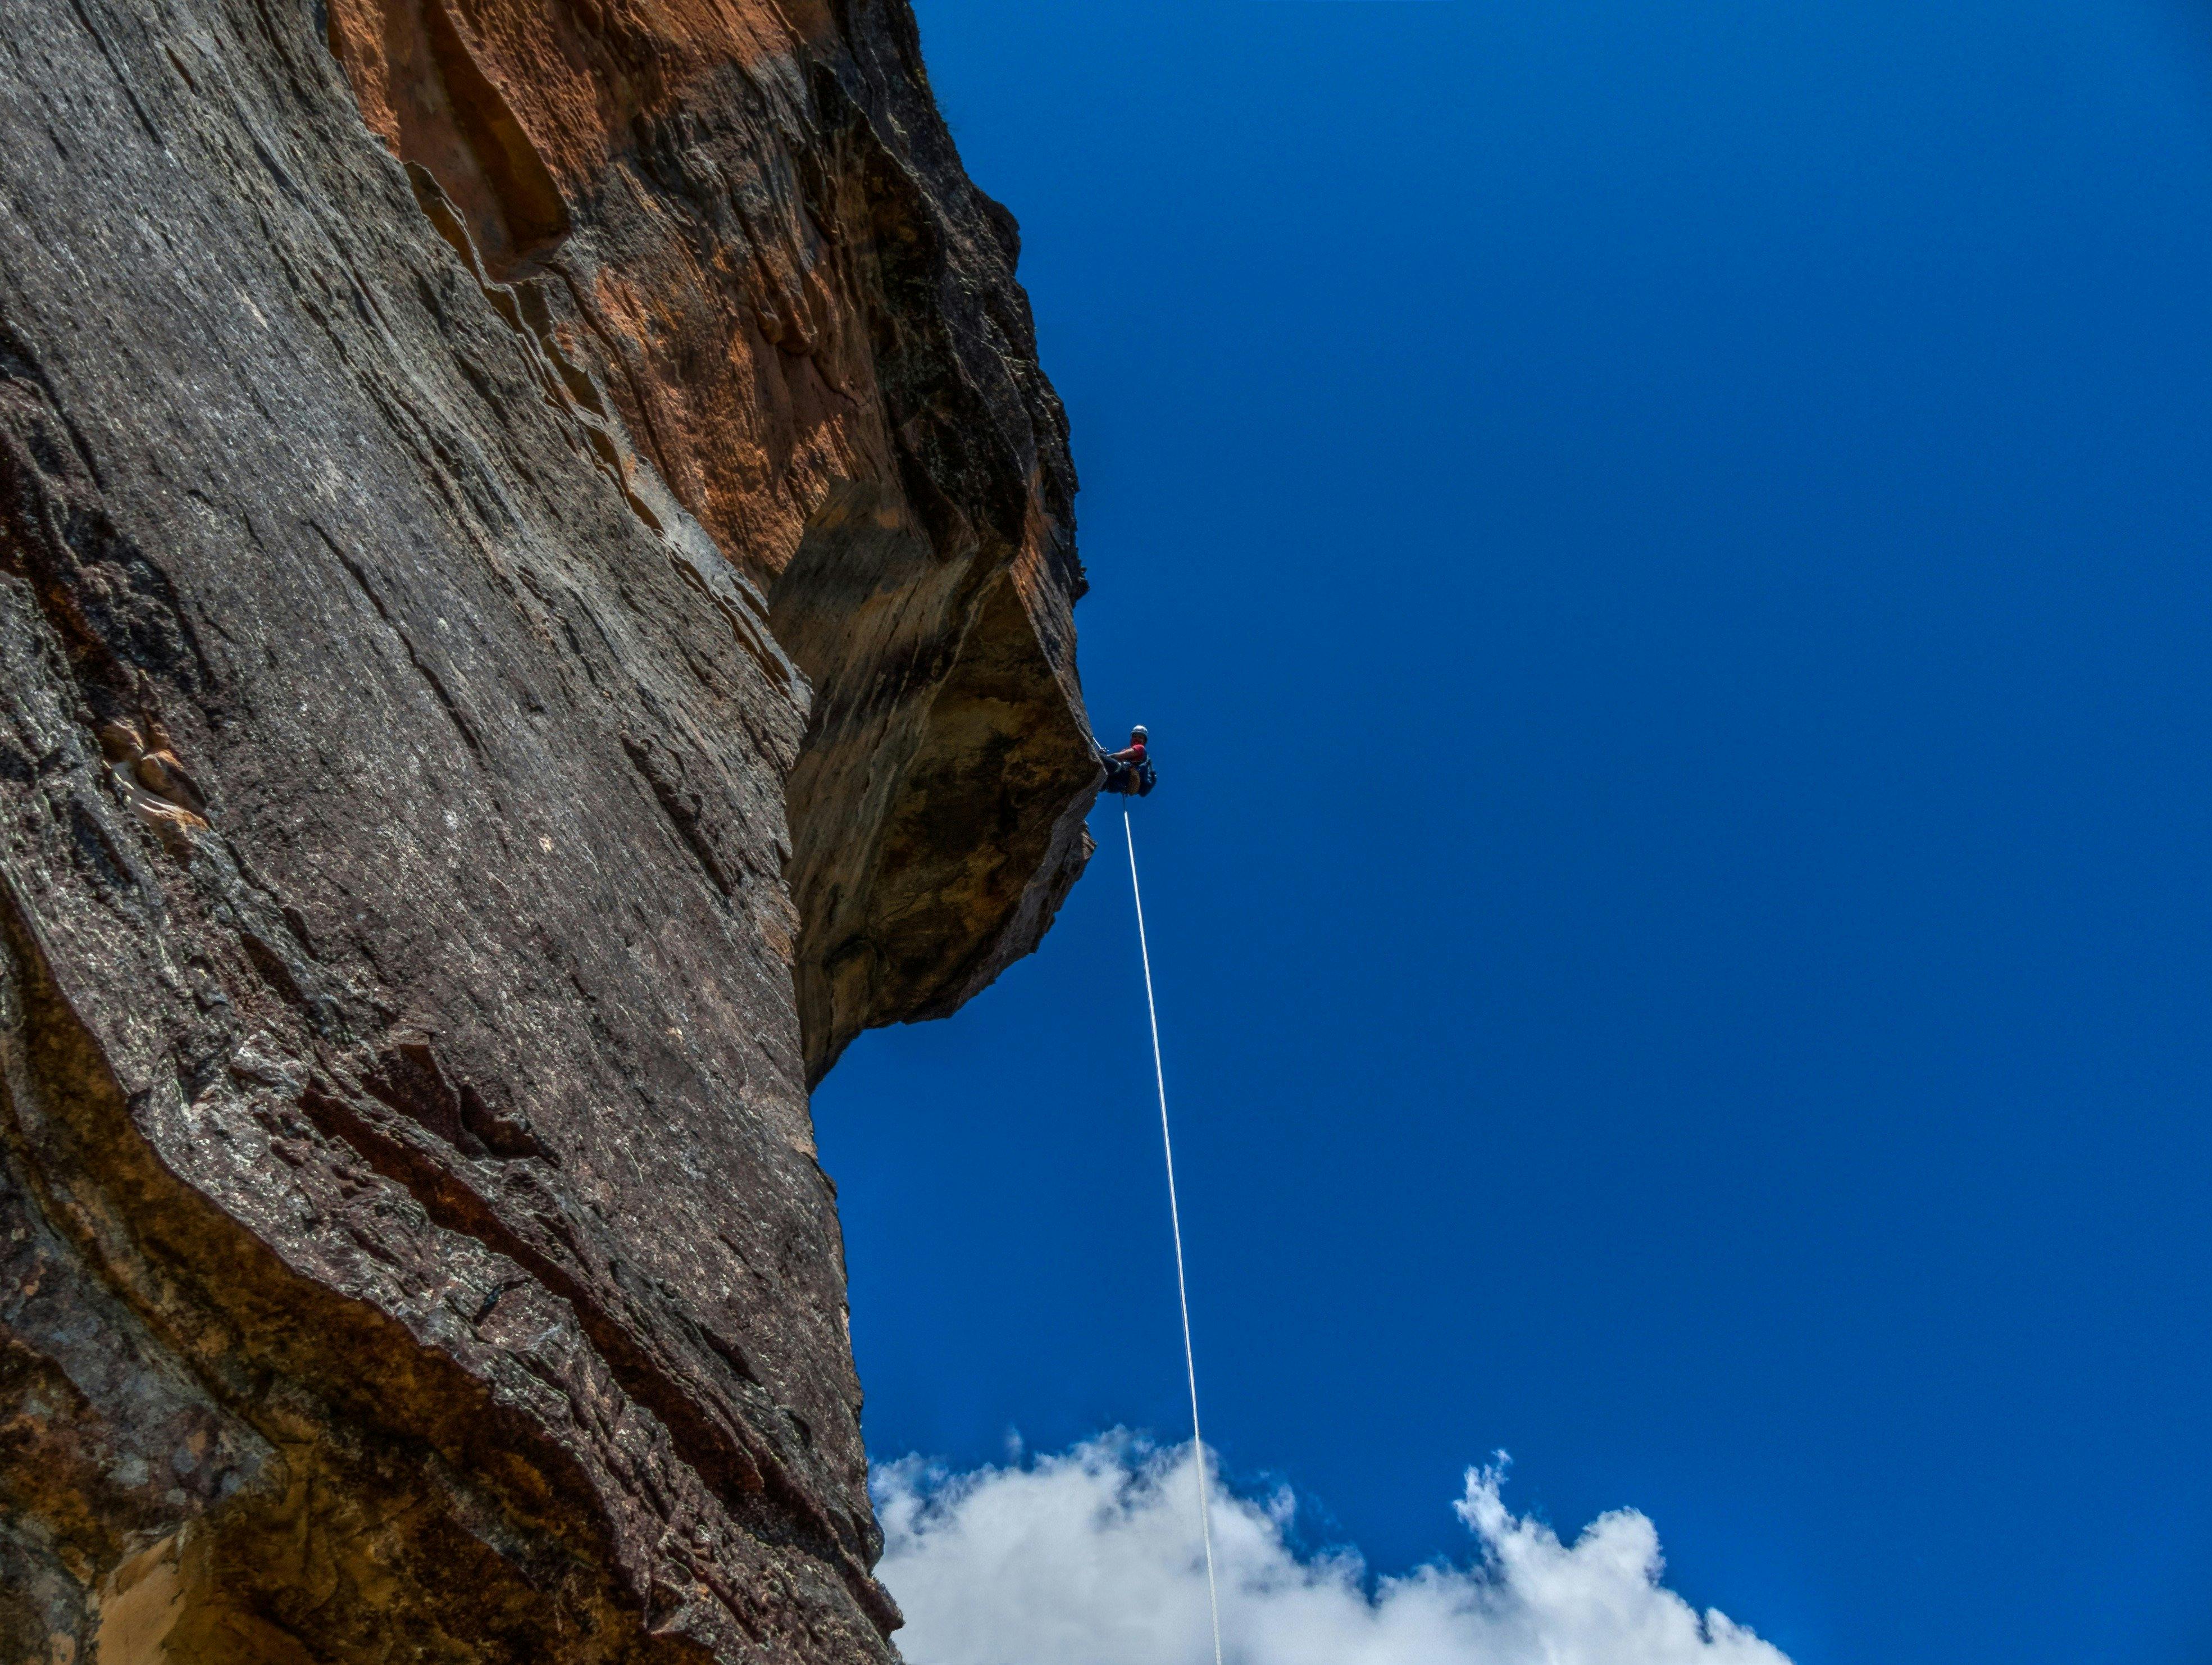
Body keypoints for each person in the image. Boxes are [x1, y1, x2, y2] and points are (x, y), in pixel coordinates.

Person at [1101, 725, 1151, 795]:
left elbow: (1119, 756)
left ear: (1144, 742)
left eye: (1140, 737)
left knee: (1101, 758)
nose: (1137, 738)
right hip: (1117, 785)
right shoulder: (1127, 750)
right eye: (1135, 736)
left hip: (1123, 774)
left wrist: (1104, 756)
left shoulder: (1140, 748)